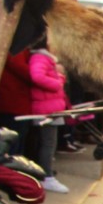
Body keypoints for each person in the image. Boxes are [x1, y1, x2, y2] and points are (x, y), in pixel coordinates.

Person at [25, 37, 69, 194]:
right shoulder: (40, 57)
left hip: (50, 106)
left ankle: (47, 173)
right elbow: (37, 76)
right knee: (48, 143)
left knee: (48, 143)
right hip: (46, 109)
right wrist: (58, 81)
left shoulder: (45, 58)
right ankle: (47, 177)